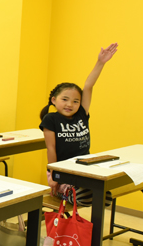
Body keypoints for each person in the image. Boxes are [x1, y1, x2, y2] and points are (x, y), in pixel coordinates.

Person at [40, 42, 118, 206]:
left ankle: (77, 192)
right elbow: (51, 149)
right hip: (63, 172)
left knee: (106, 196)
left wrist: (100, 62)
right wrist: (54, 175)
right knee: (85, 196)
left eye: (76, 101)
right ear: (54, 100)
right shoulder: (51, 119)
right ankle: (65, 192)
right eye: (65, 100)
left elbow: (88, 85)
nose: (70, 104)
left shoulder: (82, 114)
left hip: (84, 169)